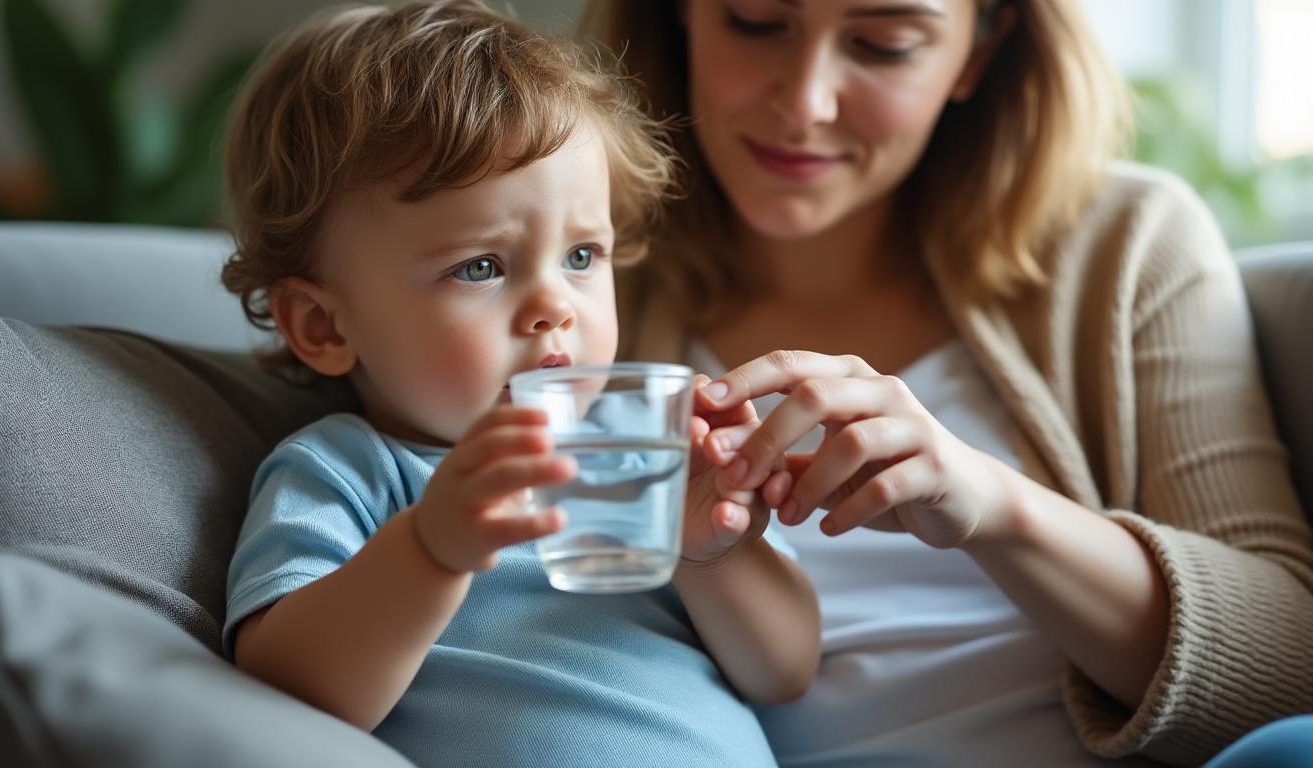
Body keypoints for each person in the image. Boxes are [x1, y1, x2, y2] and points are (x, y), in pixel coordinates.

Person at [581, 0, 1313, 765]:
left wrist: (993, 506)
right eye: (757, 22)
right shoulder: (573, 289)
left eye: (882, 44)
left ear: (979, 50)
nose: (805, 102)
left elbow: (1291, 680)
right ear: (679, 16)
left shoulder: (1125, 247)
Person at [217, 3, 820, 766]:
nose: (554, 309)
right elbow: (287, 690)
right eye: (481, 267)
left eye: (580, 257)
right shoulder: (355, 471)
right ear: (324, 328)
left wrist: (708, 554)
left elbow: (787, 670)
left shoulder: (639, 455)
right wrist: (431, 551)